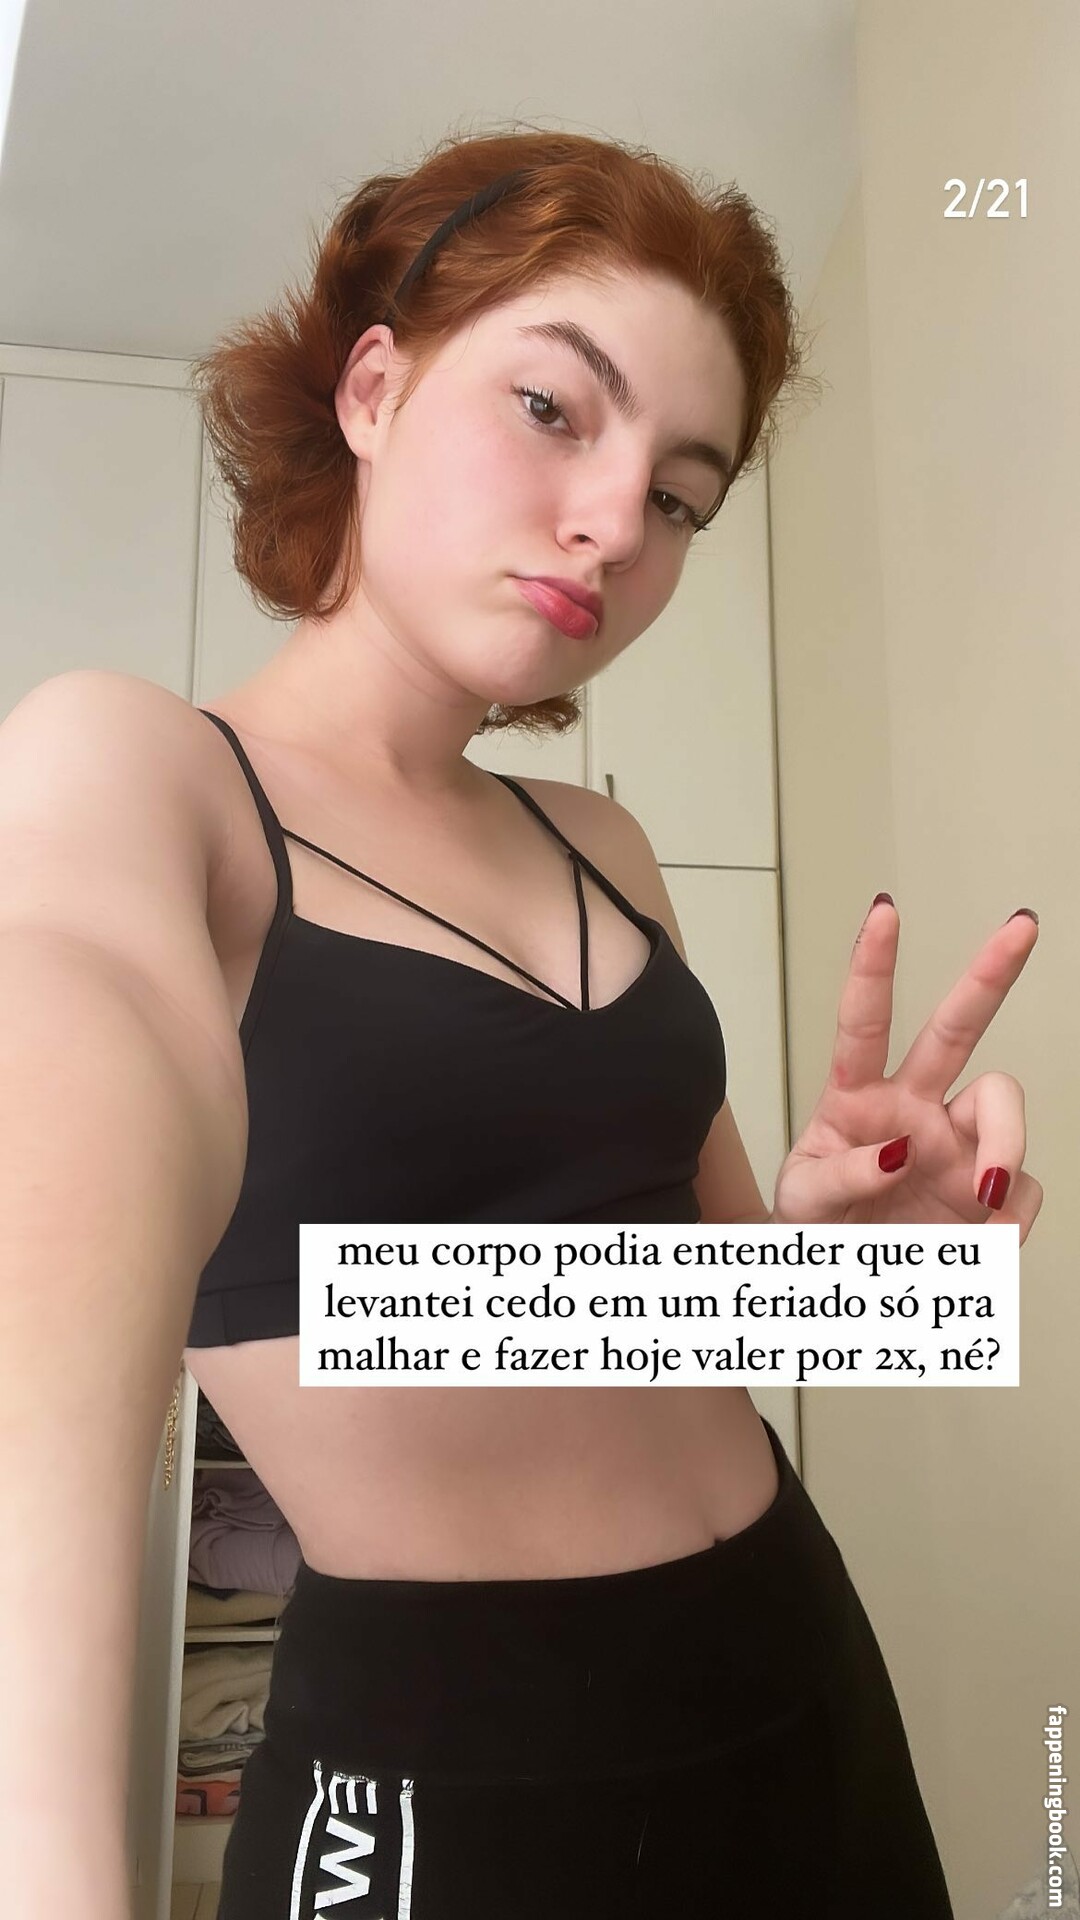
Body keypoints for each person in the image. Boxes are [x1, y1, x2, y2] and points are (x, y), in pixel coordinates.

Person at [2, 123, 1038, 1917]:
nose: (617, 523)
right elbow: (37, 1410)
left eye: (682, 496)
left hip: (795, 1658)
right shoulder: (139, 782)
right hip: (454, 1770)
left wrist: (869, 1267)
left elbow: (699, 1321)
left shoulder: (600, 847)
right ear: (375, 389)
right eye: (555, 410)